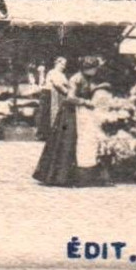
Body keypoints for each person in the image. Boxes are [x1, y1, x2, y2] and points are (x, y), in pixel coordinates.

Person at [33, 56, 97, 187]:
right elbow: (70, 97)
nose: (95, 71)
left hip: (80, 112)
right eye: (93, 69)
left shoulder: (87, 78)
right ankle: (60, 176)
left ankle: (74, 175)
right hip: (70, 113)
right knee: (67, 143)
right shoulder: (76, 78)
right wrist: (86, 102)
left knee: (78, 143)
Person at [38, 56, 71, 142]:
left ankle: (55, 134)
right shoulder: (52, 72)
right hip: (49, 95)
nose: (64, 66)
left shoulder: (62, 74)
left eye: (65, 65)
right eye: (62, 64)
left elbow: (67, 84)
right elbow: (57, 84)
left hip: (58, 95)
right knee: (47, 114)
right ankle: (44, 135)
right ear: (57, 63)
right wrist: (68, 92)